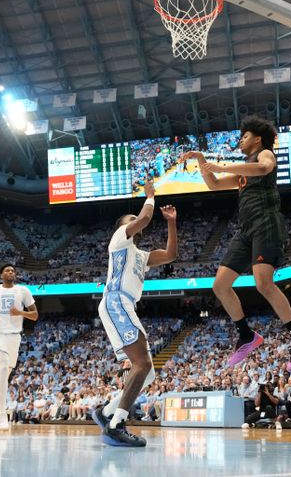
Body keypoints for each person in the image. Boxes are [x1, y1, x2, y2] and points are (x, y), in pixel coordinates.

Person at [182, 117, 291, 372]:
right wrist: (201, 160)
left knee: (263, 283)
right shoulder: (243, 169)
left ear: (258, 138)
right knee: (219, 285)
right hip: (246, 230)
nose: (240, 139)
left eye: (245, 136)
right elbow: (214, 184)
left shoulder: (265, 154)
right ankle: (246, 335)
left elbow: (264, 168)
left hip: (266, 222)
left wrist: (222, 167)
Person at [93, 179, 178, 447]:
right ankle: (116, 424)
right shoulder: (119, 239)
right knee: (141, 365)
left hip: (126, 304)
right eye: (130, 219)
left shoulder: (141, 255)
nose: (136, 221)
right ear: (123, 226)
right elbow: (143, 217)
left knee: (148, 372)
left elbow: (171, 255)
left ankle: (106, 412)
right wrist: (150, 196)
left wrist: (172, 222)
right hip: (117, 300)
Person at [0, 264, 38, 431]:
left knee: (6, 374)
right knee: (3, 369)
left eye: (13, 271)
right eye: (7, 270)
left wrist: (20, 313)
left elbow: (34, 315)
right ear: (1, 275)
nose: (11, 272)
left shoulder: (23, 291)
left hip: (15, 336)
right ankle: (2, 414)